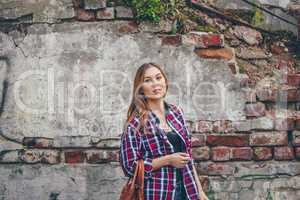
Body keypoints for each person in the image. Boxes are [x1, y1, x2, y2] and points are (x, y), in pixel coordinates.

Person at [119, 63, 209, 200]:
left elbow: (187, 156)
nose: (155, 84)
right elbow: (130, 167)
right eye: (148, 80)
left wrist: (200, 192)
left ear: (165, 81)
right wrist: (168, 160)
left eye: (158, 78)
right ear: (141, 89)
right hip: (157, 193)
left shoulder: (176, 113)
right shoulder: (135, 124)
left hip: (187, 191)